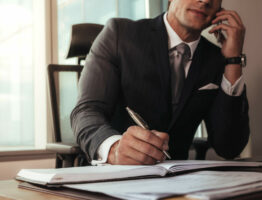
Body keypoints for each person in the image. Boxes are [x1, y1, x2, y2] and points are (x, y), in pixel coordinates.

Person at [71, 0, 249, 165]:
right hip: (114, 176)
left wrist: (233, 61)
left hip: (179, 181)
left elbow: (229, 147)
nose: (205, 0)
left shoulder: (216, 59)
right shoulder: (119, 34)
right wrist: (114, 149)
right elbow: (86, 112)